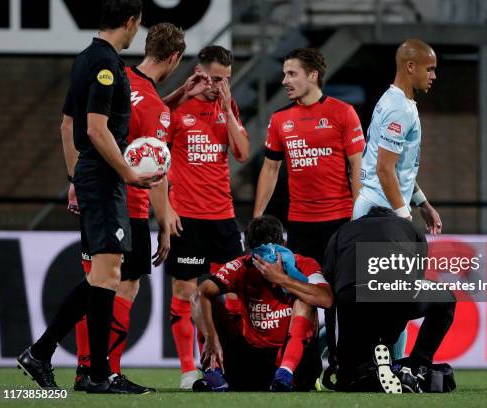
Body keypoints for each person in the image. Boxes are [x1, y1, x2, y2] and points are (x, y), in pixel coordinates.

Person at [16, 0, 162, 394]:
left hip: (92, 176)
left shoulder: (84, 58)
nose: (138, 33)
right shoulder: (107, 64)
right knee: (108, 275)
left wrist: (73, 176)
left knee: (105, 275)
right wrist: (127, 173)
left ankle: (64, 360)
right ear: (130, 22)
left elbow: (68, 125)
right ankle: (92, 371)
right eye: (138, 26)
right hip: (104, 177)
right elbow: (97, 130)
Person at [71, 22, 186, 393]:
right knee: (123, 287)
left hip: (93, 193)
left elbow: (94, 124)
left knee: (95, 283)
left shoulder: (120, 78)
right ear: (174, 57)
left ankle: (86, 369)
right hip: (129, 205)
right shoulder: (156, 108)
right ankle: (109, 372)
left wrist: (74, 179)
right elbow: (154, 167)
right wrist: (165, 219)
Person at [162, 45, 250, 389]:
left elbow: (242, 154)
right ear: (197, 73)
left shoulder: (227, 107)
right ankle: (188, 371)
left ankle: (221, 363)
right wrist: (166, 207)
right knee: (184, 292)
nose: (217, 85)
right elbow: (159, 159)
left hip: (223, 217)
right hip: (186, 216)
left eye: (224, 79)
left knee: (228, 295)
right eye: (212, 78)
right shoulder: (178, 108)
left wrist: (227, 108)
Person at [352, 39, 442, 361]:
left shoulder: (394, 101)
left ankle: (388, 367)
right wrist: (404, 219)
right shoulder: (399, 109)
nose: (434, 75)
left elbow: (399, 168)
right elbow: (384, 168)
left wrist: (421, 202)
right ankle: (393, 368)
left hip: (379, 208)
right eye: (430, 69)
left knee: (383, 301)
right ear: (410, 67)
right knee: (394, 300)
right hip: (380, 213)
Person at [322, 206, 456, 393]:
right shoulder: (410, 228)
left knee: (348, 380)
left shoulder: (342, 231)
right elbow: (416, 281)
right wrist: (391, 331)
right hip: (396, 297)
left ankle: (366, 369)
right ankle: (418, 365)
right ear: (392, 217)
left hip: (352, 301)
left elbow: (329, 294)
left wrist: (335, 357)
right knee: (446, 298)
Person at [192, 215, 333, 391]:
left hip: (296, 363)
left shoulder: (304, 264)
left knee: (305, 301)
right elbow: (198, 295)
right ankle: (214, 374)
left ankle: (285, 373)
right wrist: (211, 337)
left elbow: (326, 299)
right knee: (207, 303)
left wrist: (281, 279)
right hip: (254, 359)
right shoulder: (241, 266)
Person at [253, 48, 365, 266]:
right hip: (299, 223)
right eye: (285, 74)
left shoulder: (343, 112)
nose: (285, 80)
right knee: (301, 292)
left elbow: (357, 166)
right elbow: (270, 169)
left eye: (292, 74)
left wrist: (358, 218)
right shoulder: (279, 119)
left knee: (340, 293)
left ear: (313, 75)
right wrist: (257, 216)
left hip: (340, 221)